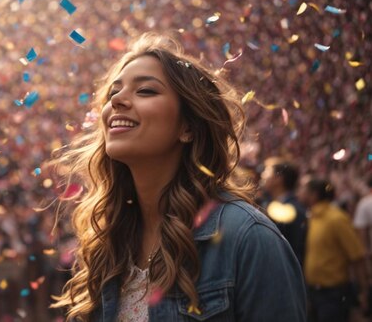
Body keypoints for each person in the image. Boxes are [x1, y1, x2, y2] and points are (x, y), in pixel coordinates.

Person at [51, 33, 306, 321]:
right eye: (113, 93)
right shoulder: (108, 240)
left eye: (145, 91)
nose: (118, 100)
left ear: (188, 127)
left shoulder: (249, 238)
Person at [299, 178, 369, 322]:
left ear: (313, 195)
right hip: (313, 291)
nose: (299, 193)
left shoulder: (336, 218)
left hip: (334, 294)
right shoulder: (311, 217)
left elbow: (357, 256)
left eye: (303, 190)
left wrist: (364, 292)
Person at [260, 160, 307, 266]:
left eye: (267, 172)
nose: (263, 175)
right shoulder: (272, 204)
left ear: (278, 179)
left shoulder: (292, 210)